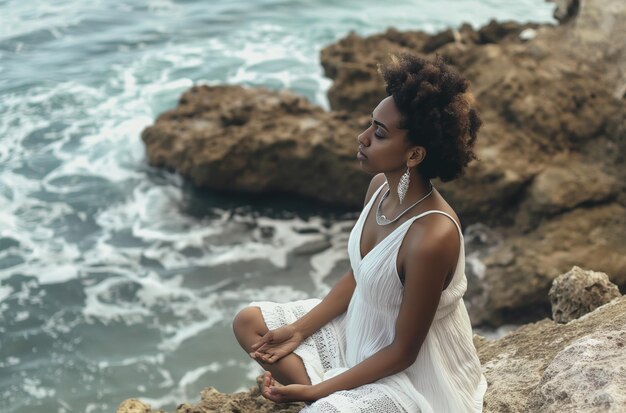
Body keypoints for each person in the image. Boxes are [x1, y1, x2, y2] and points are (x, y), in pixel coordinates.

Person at [232, 53, 488, 412]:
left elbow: (404, 352)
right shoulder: (379, 188)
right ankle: (333, 394)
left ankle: (328, 395)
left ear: (414, 154)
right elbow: (360, 276)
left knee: (323, 409)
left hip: (413, 373)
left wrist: (316, 394)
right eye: (371, 125)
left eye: (379, 134)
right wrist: (300, 330)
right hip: (359, 328)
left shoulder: (432, 236)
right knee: (249, 322)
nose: (363, 137)